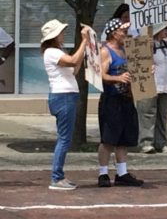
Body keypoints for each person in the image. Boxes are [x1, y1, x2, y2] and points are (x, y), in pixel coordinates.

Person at [40, 19, 90, 190]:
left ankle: (58, 176)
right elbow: (73, 61)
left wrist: (84, 48)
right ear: (54, 36)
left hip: (65, 96)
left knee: (64, 138)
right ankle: (56, 177)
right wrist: (84, 41)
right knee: (64, 139)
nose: (63, 35)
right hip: (63, 97)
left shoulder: (56, 52)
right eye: (60, 33)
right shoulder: (52, 52)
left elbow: (73, 70)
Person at [97, 18, 143, 187]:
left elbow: (136, 70)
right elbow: (101, 74)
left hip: (127, 99)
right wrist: (117, 77)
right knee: (109, 139)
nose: (126, 34)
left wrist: (146, 70)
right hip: (112, 100)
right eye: (123, 31)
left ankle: (122, 173)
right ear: (114, 33)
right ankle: (103, 173)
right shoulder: (106, 51)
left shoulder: (127, 50)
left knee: (124, 138)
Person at [140, 22, 167, 154]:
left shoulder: (166, 45)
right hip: (152, 84)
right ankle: (146, 142)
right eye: (165, 29)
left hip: (166, 85)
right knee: (148, 113)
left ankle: (160, 142)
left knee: (162, 115)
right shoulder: (147, 44)